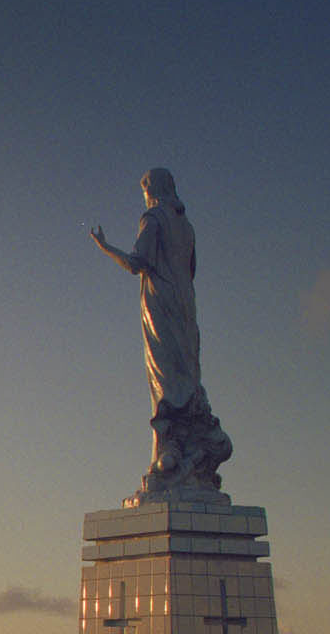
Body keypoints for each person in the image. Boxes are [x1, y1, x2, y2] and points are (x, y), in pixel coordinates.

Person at [89, 168, 232, 497]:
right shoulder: (187, 227)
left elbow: (138, 262)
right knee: (187, 371)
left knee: (164, 376)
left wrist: (105, 247)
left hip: (159, 305)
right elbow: (191, 270)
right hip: (186, 306)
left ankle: (169, 452)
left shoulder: (152, 219)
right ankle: (187, 448)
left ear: (151, 190)